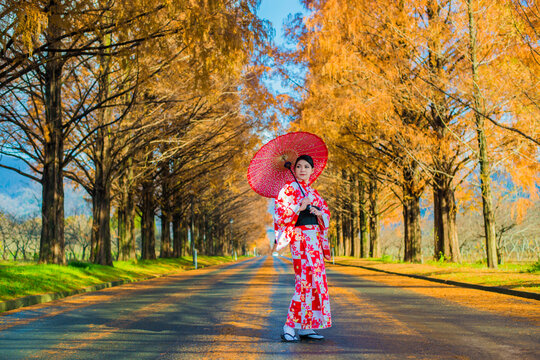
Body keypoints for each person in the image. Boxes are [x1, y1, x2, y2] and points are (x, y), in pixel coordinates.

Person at [271, 154, 332, 342]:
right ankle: (289, 327)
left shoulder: (314, 193)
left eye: (306, 166)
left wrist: (318, 212)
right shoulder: (287, 190)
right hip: (300, 239)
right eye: (298, 166)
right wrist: (299, 205)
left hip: (314, 239)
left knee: (317, 281)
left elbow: (326, 214)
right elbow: (281, 216)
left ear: (312, 170)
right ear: (294, 169)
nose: (302, 169)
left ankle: (307, 326)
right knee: (304, 281)